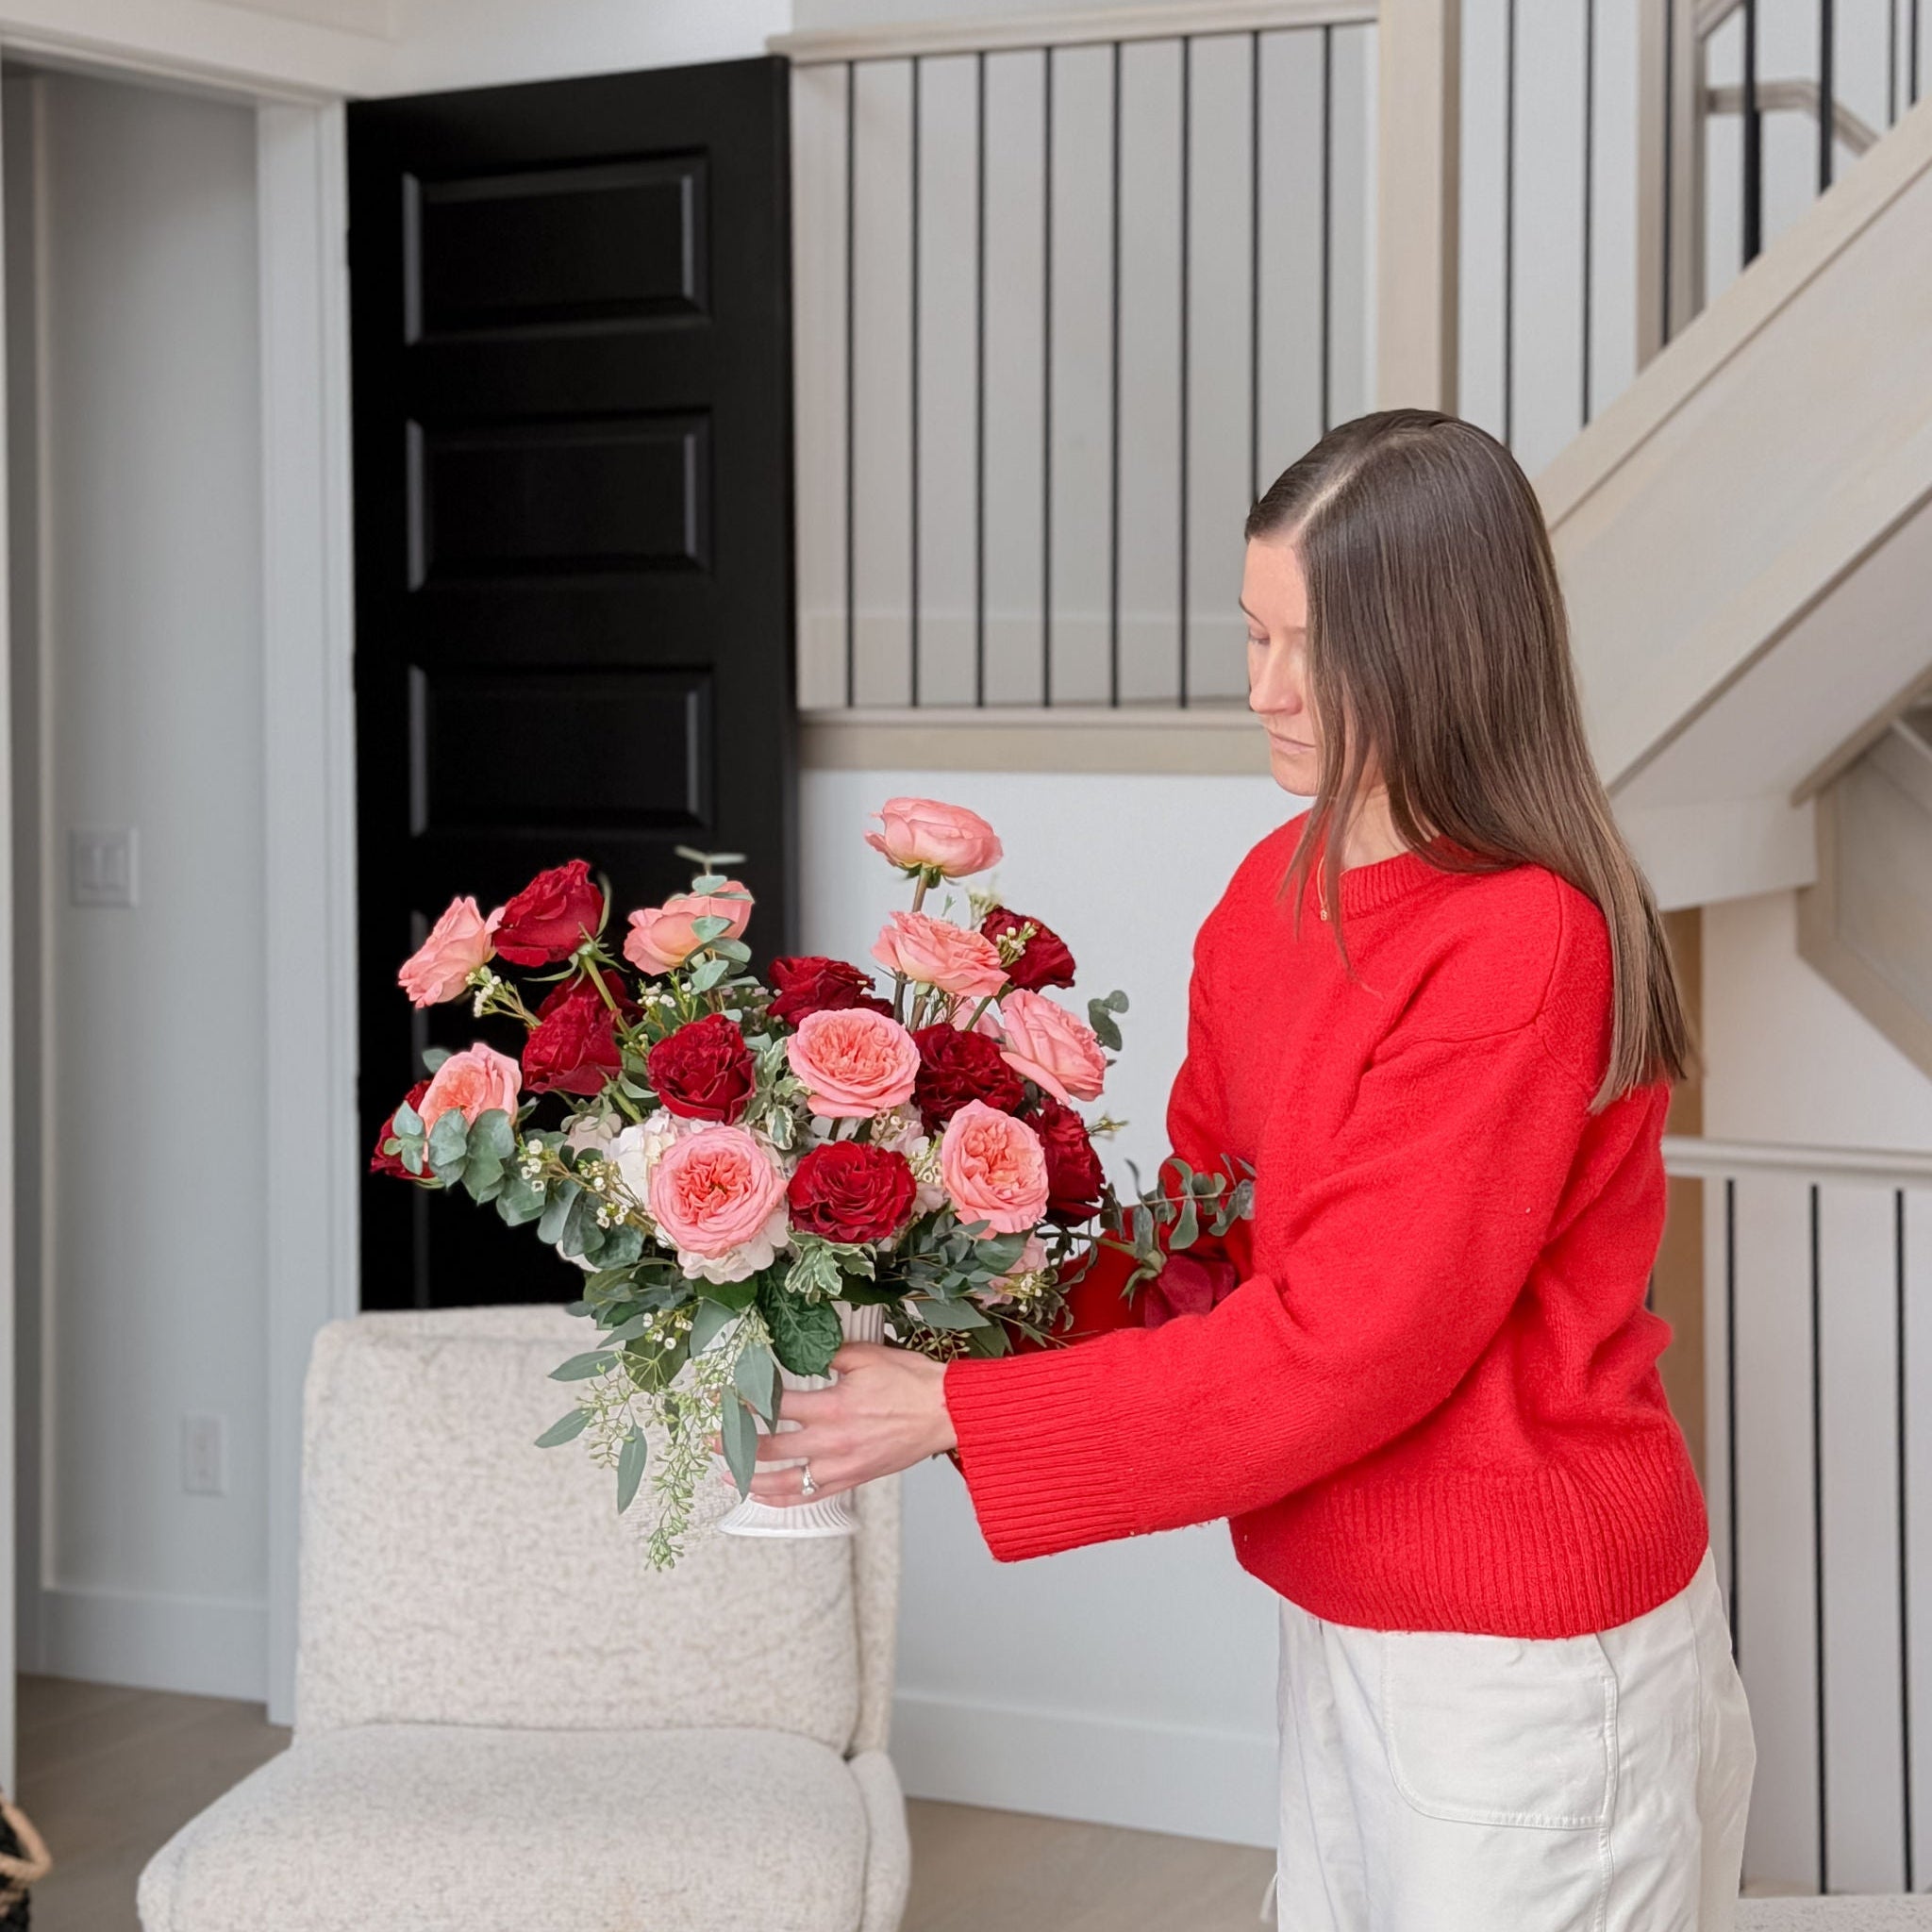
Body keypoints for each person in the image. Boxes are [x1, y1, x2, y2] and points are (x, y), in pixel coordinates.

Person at [751, 409, 1756, 1931]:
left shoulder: (1526, 942)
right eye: (1253, 633)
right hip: (1345, 1606)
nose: (1263, 692)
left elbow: (1349, 1348)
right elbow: (1206, 1244)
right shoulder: (1272, 894)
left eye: (1310, 651)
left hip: (1525, 1656)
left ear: (1436, 654)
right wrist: (940, 1308)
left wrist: (962, 1411)